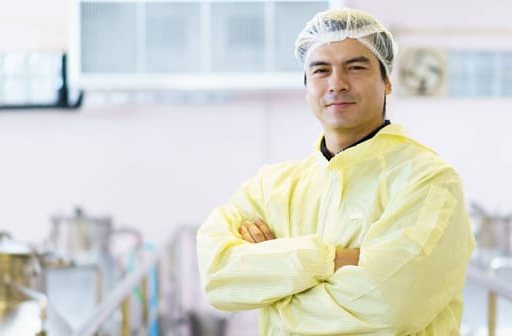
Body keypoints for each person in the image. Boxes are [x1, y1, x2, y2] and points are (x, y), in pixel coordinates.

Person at [197, 7, 475, 336]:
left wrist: (276, 298)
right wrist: (332, 259)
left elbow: (387, 307)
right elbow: (217, 277)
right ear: (306, 88)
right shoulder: (271, 188)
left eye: (355, 68)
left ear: (386, 81)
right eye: (320, 70)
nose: (337, 84)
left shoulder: (428, 182)